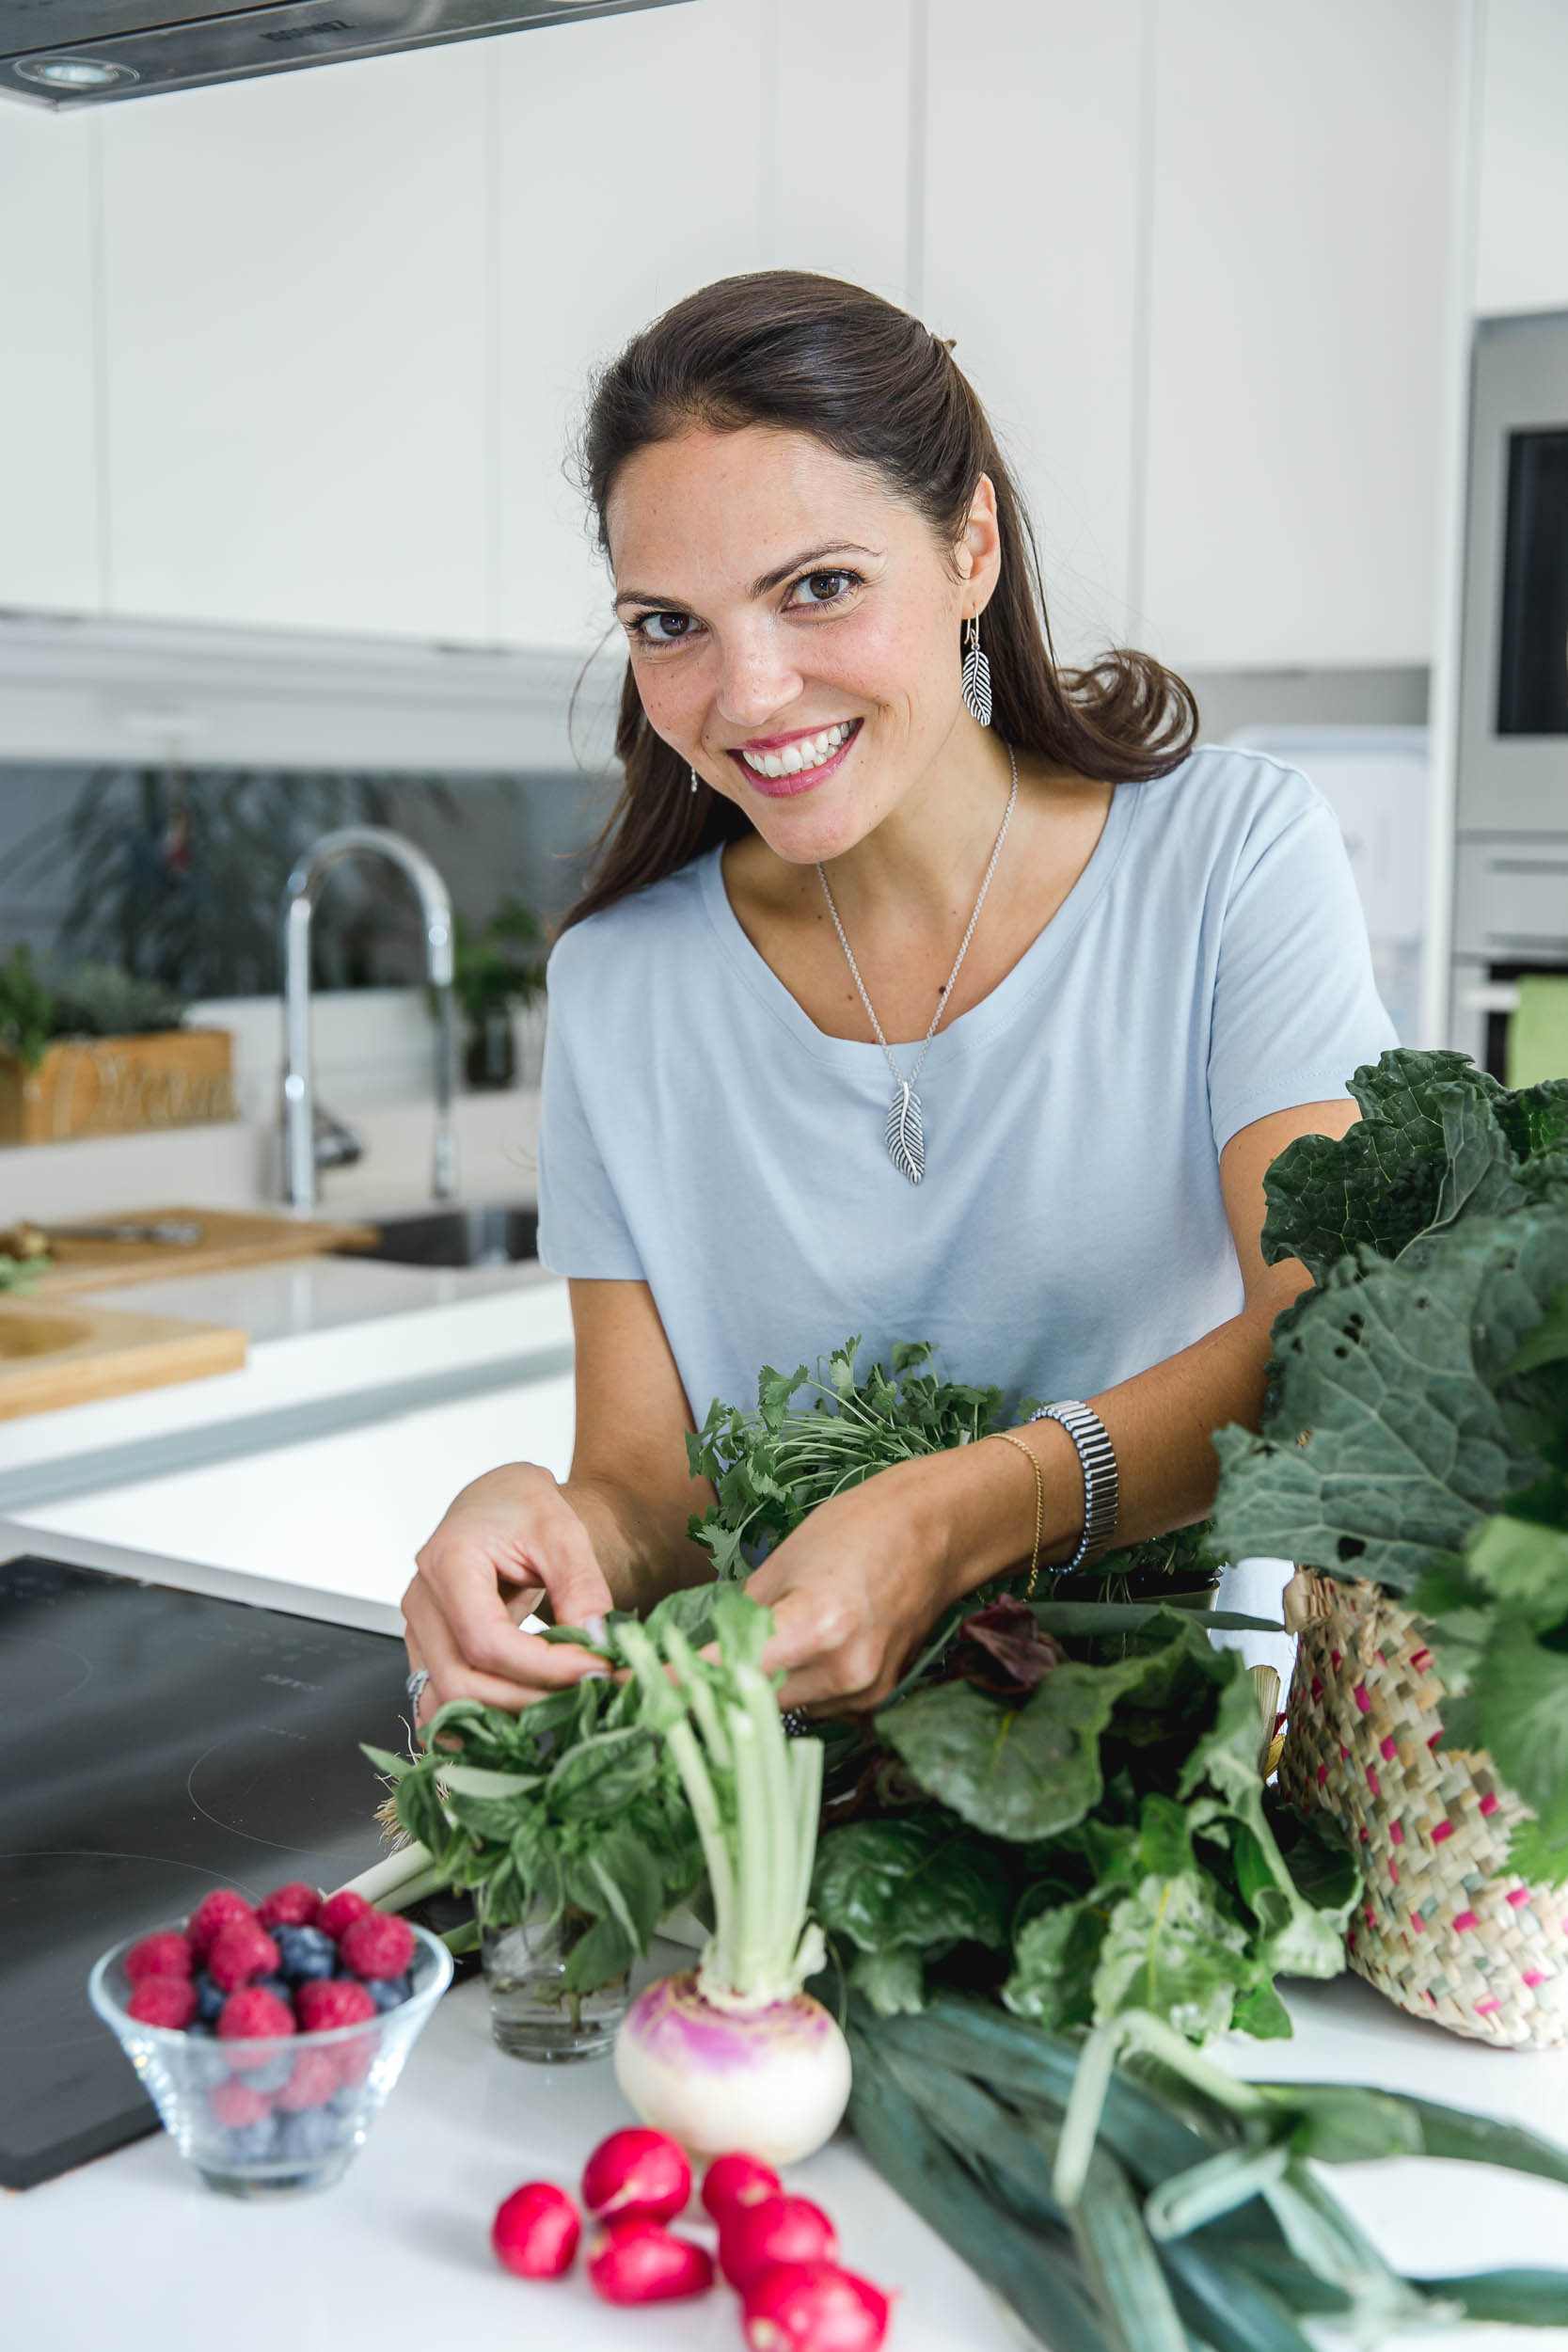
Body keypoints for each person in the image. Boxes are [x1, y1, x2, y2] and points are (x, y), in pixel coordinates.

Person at [401, 270, 1394, 1727]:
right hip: (801, 1795)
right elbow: (651, 1501)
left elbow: (1325, 1334)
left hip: (1186, 1759)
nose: (746, 695)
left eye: (818, 587)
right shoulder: (622, 987)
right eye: (670, 623)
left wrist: (958, 1516)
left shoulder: (1229, 858)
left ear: (971, 546)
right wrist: (542, 1524)